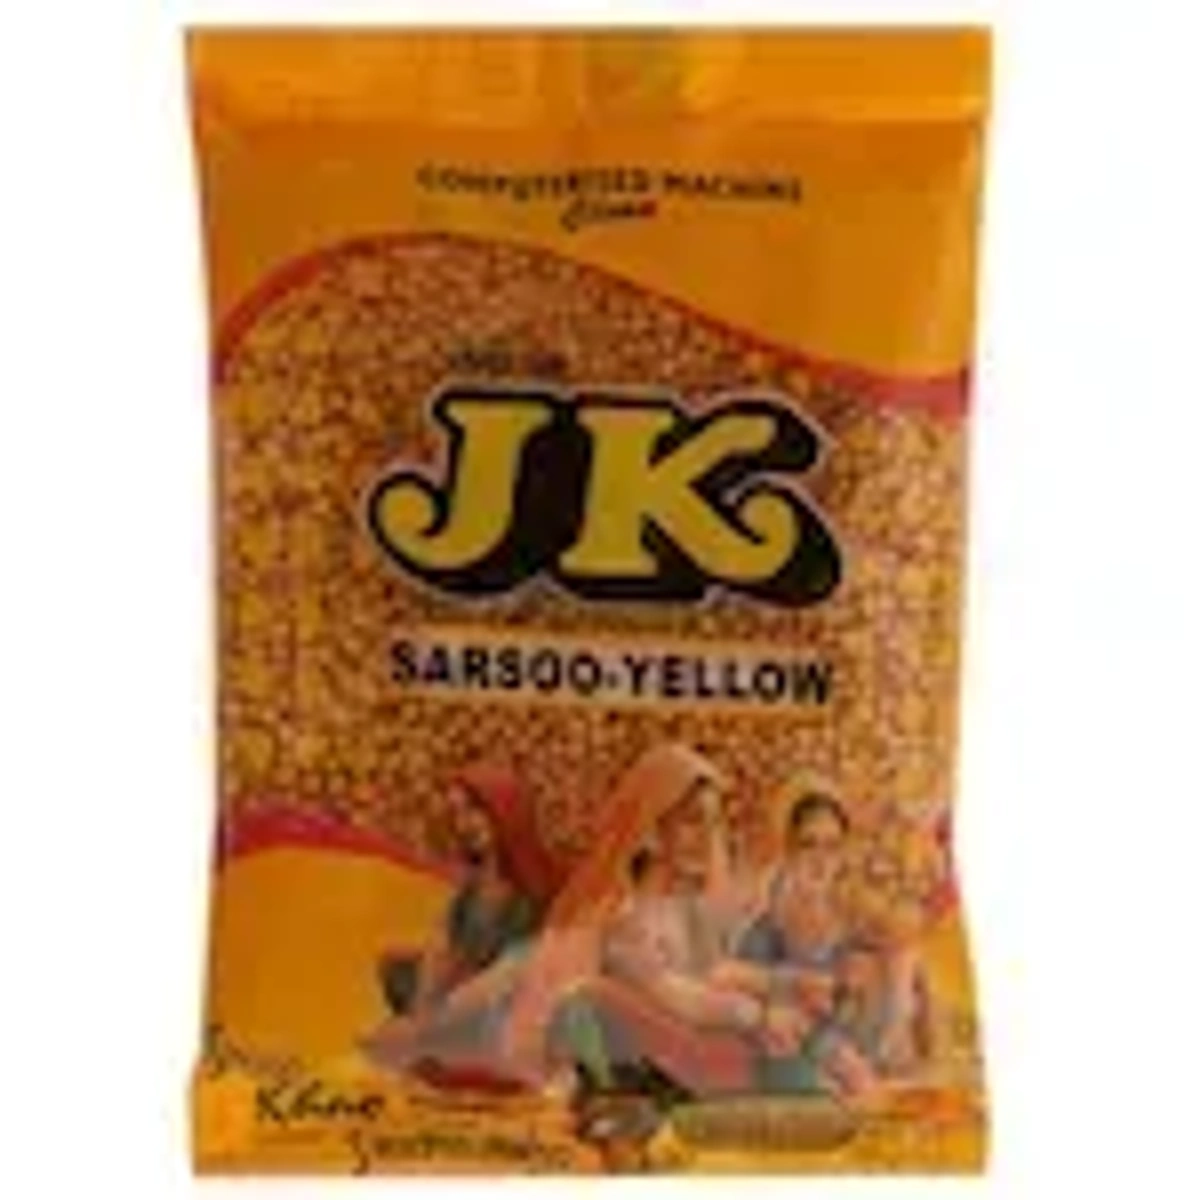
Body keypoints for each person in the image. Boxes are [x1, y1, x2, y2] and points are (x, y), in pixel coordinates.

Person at [501, 744, 783, 1110]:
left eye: (714, 823)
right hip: (650, 1062)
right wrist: (756, 1015)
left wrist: (775, 991)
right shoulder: (625, 916)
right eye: (691, 821)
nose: (708, 838)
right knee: (586, 997)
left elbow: (723, 973)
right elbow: (675, 996)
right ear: (651, 830)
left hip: (695, 1051)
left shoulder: (694, 909)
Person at [362, 761, 561, 1082]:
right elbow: (443, 947)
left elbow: (516, 970)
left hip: (505, 1002)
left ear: (505, 812)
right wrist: (420, 1015)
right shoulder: (475, 885)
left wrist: (425, 1028)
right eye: (458, 813)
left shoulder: (537, 887)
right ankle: (430, 1043)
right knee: (396, 967)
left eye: (474, 810)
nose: (465, 823)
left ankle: (438, 1045)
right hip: (461, 993)